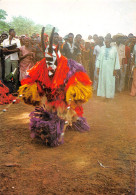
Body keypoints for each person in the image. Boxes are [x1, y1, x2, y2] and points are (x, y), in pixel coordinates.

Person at [19, 27, 92, 147]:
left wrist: (72, 93)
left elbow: (80, 81)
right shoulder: (41, 66)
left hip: (63, 99)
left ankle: (62, 126)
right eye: (47, 60)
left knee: (67, 118)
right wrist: (30, 91)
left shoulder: (70, 66)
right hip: (51, 101)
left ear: (57, 57)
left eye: (52, 60)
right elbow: (32, 79)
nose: (49, 64)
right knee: (51, 117)